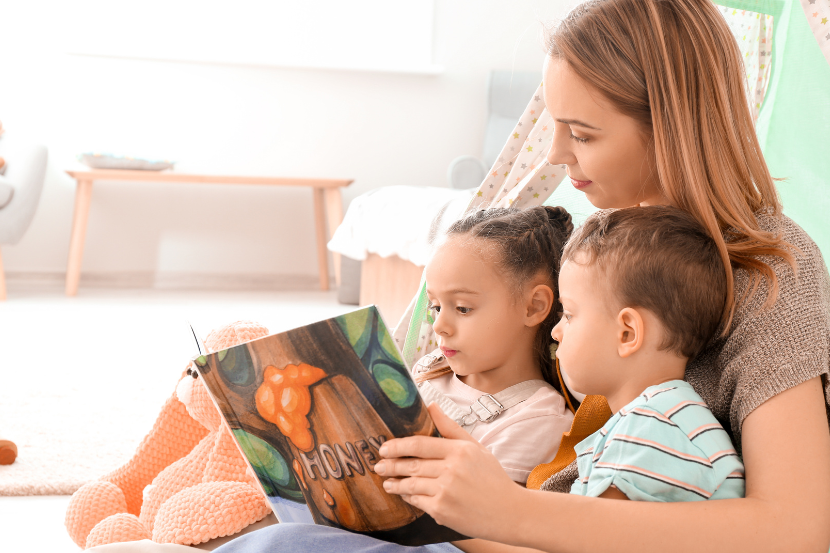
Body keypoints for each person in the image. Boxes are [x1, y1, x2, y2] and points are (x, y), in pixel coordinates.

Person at [215, 0, 830, 551]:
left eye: (582, 133)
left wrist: (508, 511)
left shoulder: (770, 268)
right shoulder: (603, 234)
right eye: (554, 126)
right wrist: (458, 465)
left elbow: (797, 528)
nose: (557, 155)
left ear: (671, 127)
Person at [555, 206, 744, 502]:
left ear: (627, 333)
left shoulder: (650, 430)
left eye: (568, 315)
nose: (556, 332)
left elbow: (584, 530)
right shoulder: (660, 420)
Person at [412, 206, 576, 486]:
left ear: (534, 307)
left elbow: (485, 508)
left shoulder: (538, 421)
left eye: (462, 308)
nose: (439, 326)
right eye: (436, 307)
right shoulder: (431, 367)